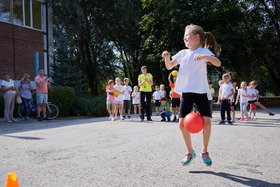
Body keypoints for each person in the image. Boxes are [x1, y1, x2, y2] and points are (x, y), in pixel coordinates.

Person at [162, 24, 221, 166]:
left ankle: (205, 151)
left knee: (207, 123)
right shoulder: (183, 53)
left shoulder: (202, 51)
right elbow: (169, 66)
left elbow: (218, 63)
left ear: (196, 37)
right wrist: (167, 57)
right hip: (187, 92)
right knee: (182, 125)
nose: (184, 38)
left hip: (201, 92)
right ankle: (190, 152)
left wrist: (207, 56)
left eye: (187, 35)